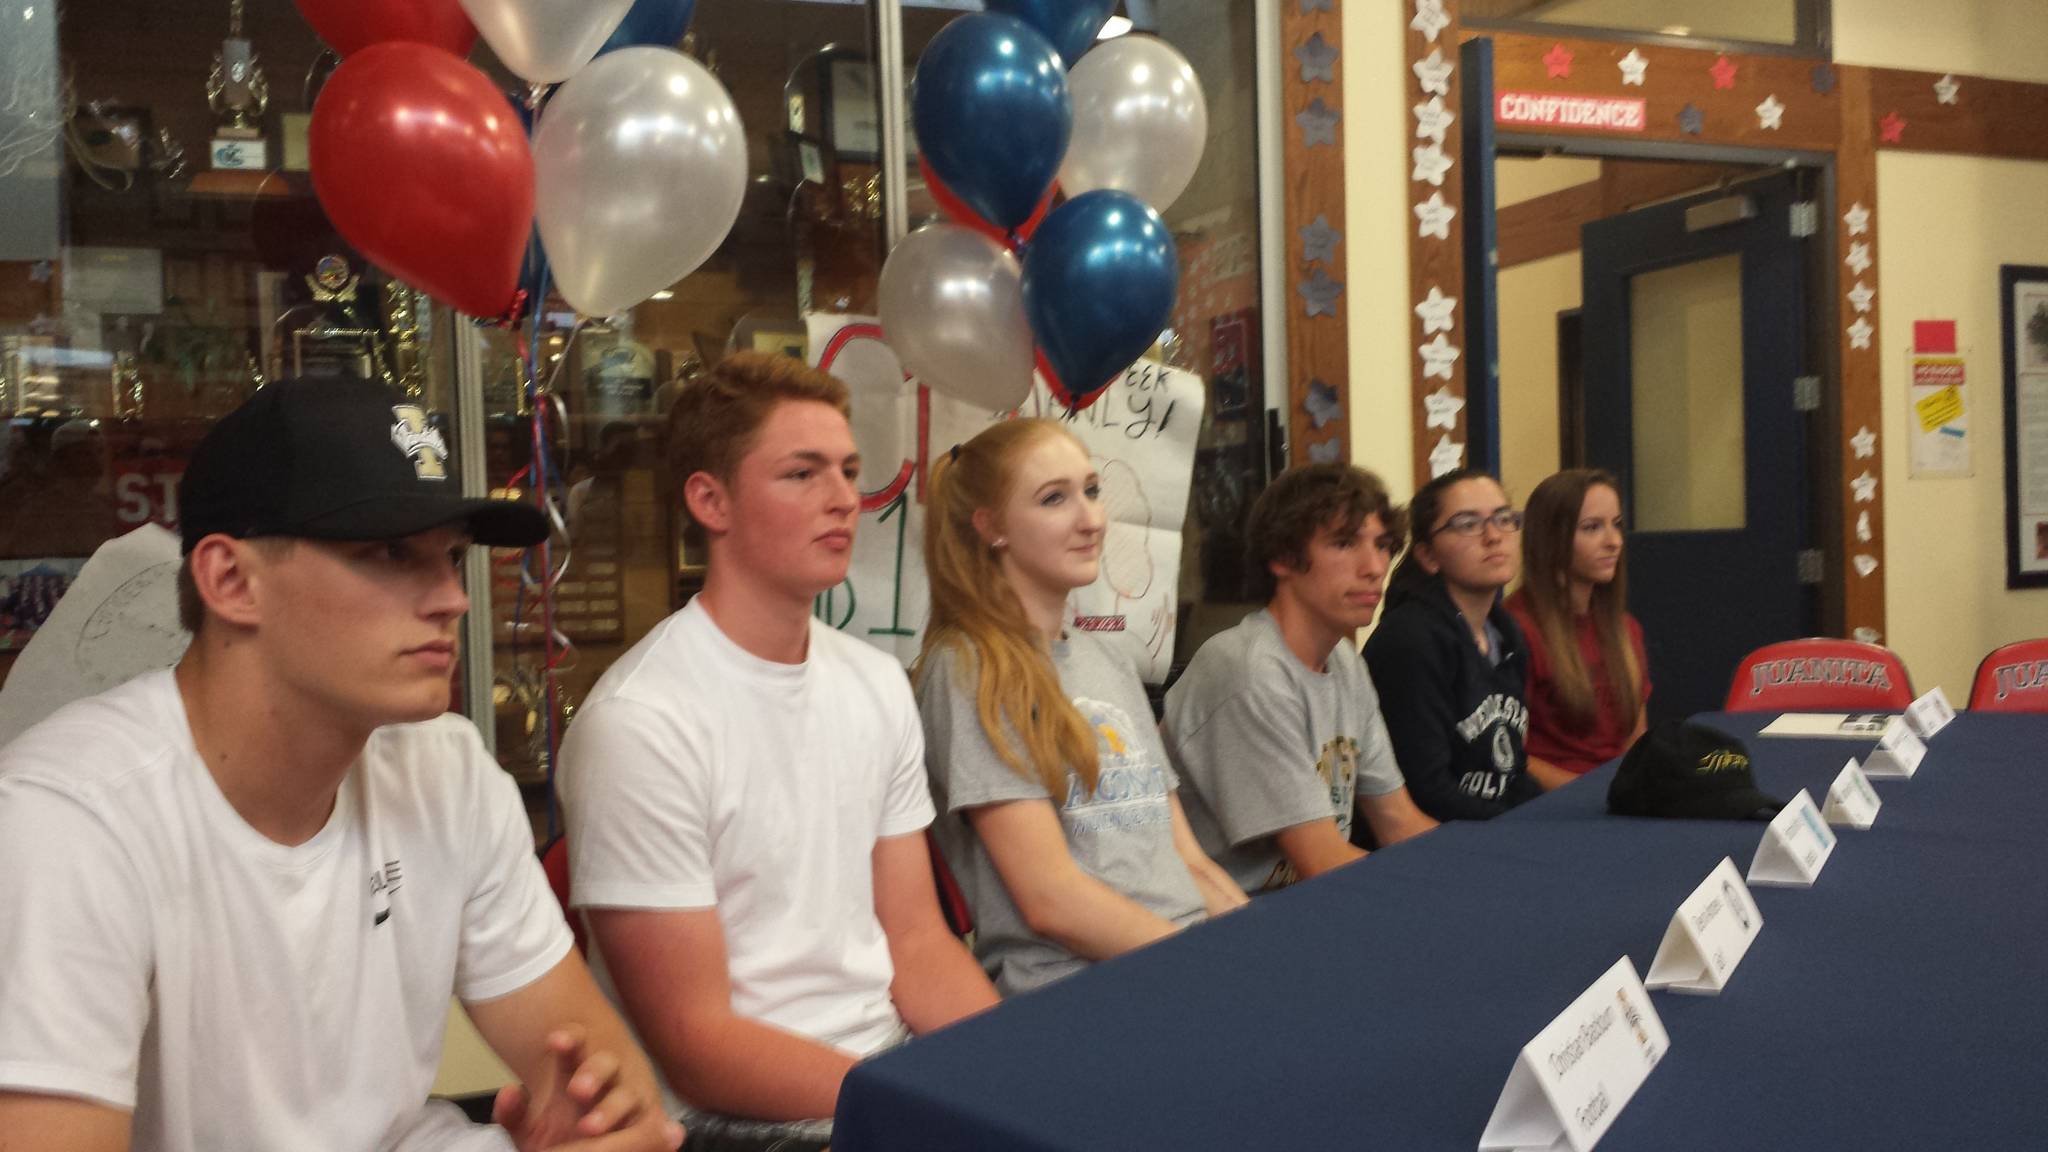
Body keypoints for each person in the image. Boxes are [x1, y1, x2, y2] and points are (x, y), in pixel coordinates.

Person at [0, 378, 681, 1152]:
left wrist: (600, 1127)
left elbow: (601, 1077)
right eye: (389, 552)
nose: (452, 598)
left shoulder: (446, 771)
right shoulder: (66, 818)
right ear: (230, 580)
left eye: (451, 556)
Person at [557, 352, 997, 1152]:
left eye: (850, 471)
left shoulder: (874, 683)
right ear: (710, 500)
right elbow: (698, 1046)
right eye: (801, 474)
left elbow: (919, 943)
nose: (842, 500)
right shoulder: (641, 721)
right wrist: (926, 1106)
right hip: (731, 1123)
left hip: (884, 1070)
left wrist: (1006, 1073)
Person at [914, 419, 1246, 998]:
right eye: (1054, 499)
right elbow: (1052, 901)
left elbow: (1185, 856)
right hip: (1079, 988)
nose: (1091, 519)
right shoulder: (967, 667)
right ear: (990, 527)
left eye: (1091, 491)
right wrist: (1207, 970)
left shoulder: (1110, 657)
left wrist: (1257, 947)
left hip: (1184, 962)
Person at [1163, 463, 1438, 893]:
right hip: (1223, 926)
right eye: (1345, 543)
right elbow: (1322, 861)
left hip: (1308, 906)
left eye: (1384, 545)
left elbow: (1398, 821)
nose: (1374, 567)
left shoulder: (1345, 661)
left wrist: (1474, 870)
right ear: (1282, 558)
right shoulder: (1248, 669)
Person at [1364, 468, 1555, 823]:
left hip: (1492, 825)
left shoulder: (1506, 632)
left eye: (1504, 518)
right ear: (1427, 556)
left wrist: (1546, 818)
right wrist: (1521, 830)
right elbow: (1428, 790)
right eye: (1468, 524)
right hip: (1434, 844)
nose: (1493, 535)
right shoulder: (1409, 640)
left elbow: (1511, 768)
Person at [1505, 469, 1651, 778]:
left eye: (1617, 525)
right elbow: (1511, 755)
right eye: (1592, 528)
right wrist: (1592, 799)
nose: (1613, 542)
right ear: (1551, 539)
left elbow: (1636, 738)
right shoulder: (1516, 630)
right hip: (1552, 805)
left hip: (1617, 797)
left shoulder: (1625, 629)